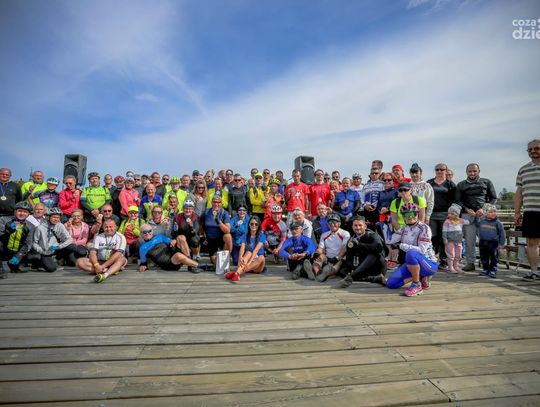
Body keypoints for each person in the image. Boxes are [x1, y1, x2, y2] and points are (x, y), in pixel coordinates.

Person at [386, 203, 438, 297]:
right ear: (403, 217)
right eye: (407, 215)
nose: (410, 217)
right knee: (391, 284)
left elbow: (421, 250)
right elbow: (390, 240)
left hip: (429, 264)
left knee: (411, 253)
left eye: (413, 214)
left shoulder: (424, 228)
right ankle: (421, 277)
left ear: (417, 214)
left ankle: (416, 284)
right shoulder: (404, 228)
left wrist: (400, 246)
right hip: (413, 264)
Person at [455, 163, 497, 271]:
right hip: (467, 216)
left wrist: (484, 209)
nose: (472, 173)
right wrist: (466, 209)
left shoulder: (487, 182)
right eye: (470, 171)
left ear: (479, 171)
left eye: (474, 171)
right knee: (469, 241)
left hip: (484, 215)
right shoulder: (461, 185)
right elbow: (458, 201)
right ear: (466, 172)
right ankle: (470, 263)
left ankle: (487, 263)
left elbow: (493, 198)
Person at [337, 216, 387, 287]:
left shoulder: (373, 235)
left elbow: (378, 248)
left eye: (360, 225)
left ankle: (351, 277)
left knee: (374, 253)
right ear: (352, 227)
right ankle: (375, 278)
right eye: (355, 225)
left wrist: (359, 245)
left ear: (365, 226)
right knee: (343, 271)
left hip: (377, 266)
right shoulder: (352, 239)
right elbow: (349, 256)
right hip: (363, 267)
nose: (358, 228)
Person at [515, 139, 540, 280]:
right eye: (530, 149)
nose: (533, 151)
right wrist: (517, 212)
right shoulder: (523, 169)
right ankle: (534, 271)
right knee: (532, 242)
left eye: (536, 148)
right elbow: (519, 192)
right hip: (530, 211)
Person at [76, 218, 128, 283]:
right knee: (79, 262)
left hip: (114, 262)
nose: (108, 229)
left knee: (122, 259)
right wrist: (96, 265)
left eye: (111, 227)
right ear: (103, 228)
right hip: (100, 262)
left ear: (115, 227)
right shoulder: (98, 237)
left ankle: (105, 275)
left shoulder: (120, 237)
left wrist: (103, 266)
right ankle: (109, 270)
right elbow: (92, 253)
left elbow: (118, 254)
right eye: (106, 227)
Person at [138, 224, 206, 273]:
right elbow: (143, 263)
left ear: (152, 232)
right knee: (178, 255)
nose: (147, 233)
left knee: (181, 237)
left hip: (172, 254)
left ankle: (190, 265)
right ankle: (199, 266)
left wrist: (174, 241)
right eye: (144, 232)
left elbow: (171, 242)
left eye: (149, 231)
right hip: (168, 264)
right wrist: (143, 266)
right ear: (141, 234)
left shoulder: (159, 236)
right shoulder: (143, 248)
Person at [30, 207, 80, 272]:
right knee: (51, 269)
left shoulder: (60, 225)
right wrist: (41, 250)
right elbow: (34, 242)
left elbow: (69, 239)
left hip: (55, 248)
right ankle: (39, 262)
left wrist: (59, 246)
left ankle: (57, 259)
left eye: (58, 217)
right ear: (48, 217)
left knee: (72, 246)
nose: (56, 219)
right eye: (54, 217)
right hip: (45, 251)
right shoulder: (40, 228)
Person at [427, 163, 456, 269]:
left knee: (444, 238)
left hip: (445, 214)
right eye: (437, 169)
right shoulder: (429, 183)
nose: (439, 171)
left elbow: (455, 200)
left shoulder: (450, 184)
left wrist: (452, 215)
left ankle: (443, 261)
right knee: (432, 236)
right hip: (432, 214)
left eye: (442, 169)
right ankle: (431, 258)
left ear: (446, 171)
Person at [307, 212, 350, 282]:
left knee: (340, 262)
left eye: (334, 222)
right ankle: (316, 272)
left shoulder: (345, 233)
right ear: (328, 224)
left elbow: (344, 248)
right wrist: (317, 253)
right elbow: (320, 248)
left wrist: (336, 258)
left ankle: (326, 273)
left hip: (339, 257)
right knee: (320, 257)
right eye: (330, 222)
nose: (332, 224)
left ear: (339, 224)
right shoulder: (324, 235)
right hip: (327, 258)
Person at [225, 216, 266, 283]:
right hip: (248, 260)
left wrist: (248, 263)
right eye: (252, 224)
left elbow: (255, 251)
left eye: (256, 224)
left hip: (257, 265)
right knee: (248, 252)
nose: (254, 225)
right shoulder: (245, 235)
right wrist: (240, 258)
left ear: (259, 225)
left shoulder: (262, 236)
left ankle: (237, 272)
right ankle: (237, 274)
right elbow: (242, 248)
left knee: (262, 258)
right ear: (249, 224)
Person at [0, 201, 33, 274]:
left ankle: (14, 263)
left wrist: (19, 255)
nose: (22, 213)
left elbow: (29, 243)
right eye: (20, 211)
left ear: (28, 214)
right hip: (4, 250)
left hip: (16, 252)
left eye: (25, 212)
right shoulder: (3, 220)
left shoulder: (30, 226)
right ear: (15, 211)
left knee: (14, 269)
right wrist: (9, 230)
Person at [200, 196, 232, 266]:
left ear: (221, 203)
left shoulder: (224, 213)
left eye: (218, 202)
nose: (216, 204)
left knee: (228, 236)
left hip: (221, 239)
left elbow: (227, 230)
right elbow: (200, 224)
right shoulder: (206, 212)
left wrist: (218, 221)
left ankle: (225, 258)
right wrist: (203, 236)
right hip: (211, 240)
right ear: (211, 202)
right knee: (215, 261)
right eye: (214, 202)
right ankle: (220, 262)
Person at [477, 204, 506, 278]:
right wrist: (477, 214)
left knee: (494, 256)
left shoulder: (498, 223)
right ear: (485, 213)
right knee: (483, 256)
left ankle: (493, 269)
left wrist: (501, 243)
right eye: (490, 212)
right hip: (482, 241)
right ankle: (485, 268)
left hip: (493, 242)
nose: (493, 213)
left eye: (494, 211)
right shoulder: (482, 221)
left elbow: (502, 234)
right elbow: (476, 223)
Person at [442, 204, 469, 273]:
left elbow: (469, 222)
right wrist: (445, 239)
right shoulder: (447, 222)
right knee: (451, 254)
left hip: (458, 241)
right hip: (450, 241)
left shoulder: (460, 221)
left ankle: (456, 266)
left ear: (457, 214)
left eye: (452, 214)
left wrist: (473, 215)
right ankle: (450, 266)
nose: (449, 215)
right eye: (449, 213)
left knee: (458, 254)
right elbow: (444, 231)